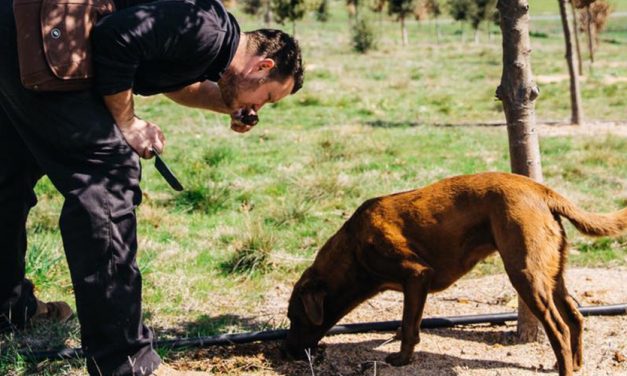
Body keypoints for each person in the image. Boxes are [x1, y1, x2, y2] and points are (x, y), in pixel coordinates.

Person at [0, 0, 304, 374]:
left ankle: (10, 309)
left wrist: (232, 106)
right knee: (109, 177)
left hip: (17, 28)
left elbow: (178, 85)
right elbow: (115, 39)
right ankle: (126, 362)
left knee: (9, 178)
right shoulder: (205, 30)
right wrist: (128, 123)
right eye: (268, 97)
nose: (261, 106)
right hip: (46, 36)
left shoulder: (210, 41)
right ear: (263, 66)